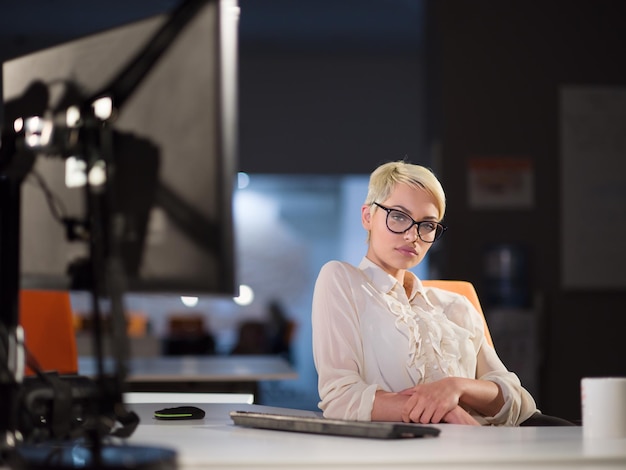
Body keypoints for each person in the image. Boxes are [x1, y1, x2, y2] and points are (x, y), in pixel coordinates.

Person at [312, 160, 571, 426]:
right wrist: (445, 412)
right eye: (399, 216)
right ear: (368, 216)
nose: (413, 235)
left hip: (490, 442)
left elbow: (517, 401)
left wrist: (456, 387)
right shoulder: (343, 280)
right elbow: (340, 396)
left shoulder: (455, 304)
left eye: (427, 225)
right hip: (418, 449)